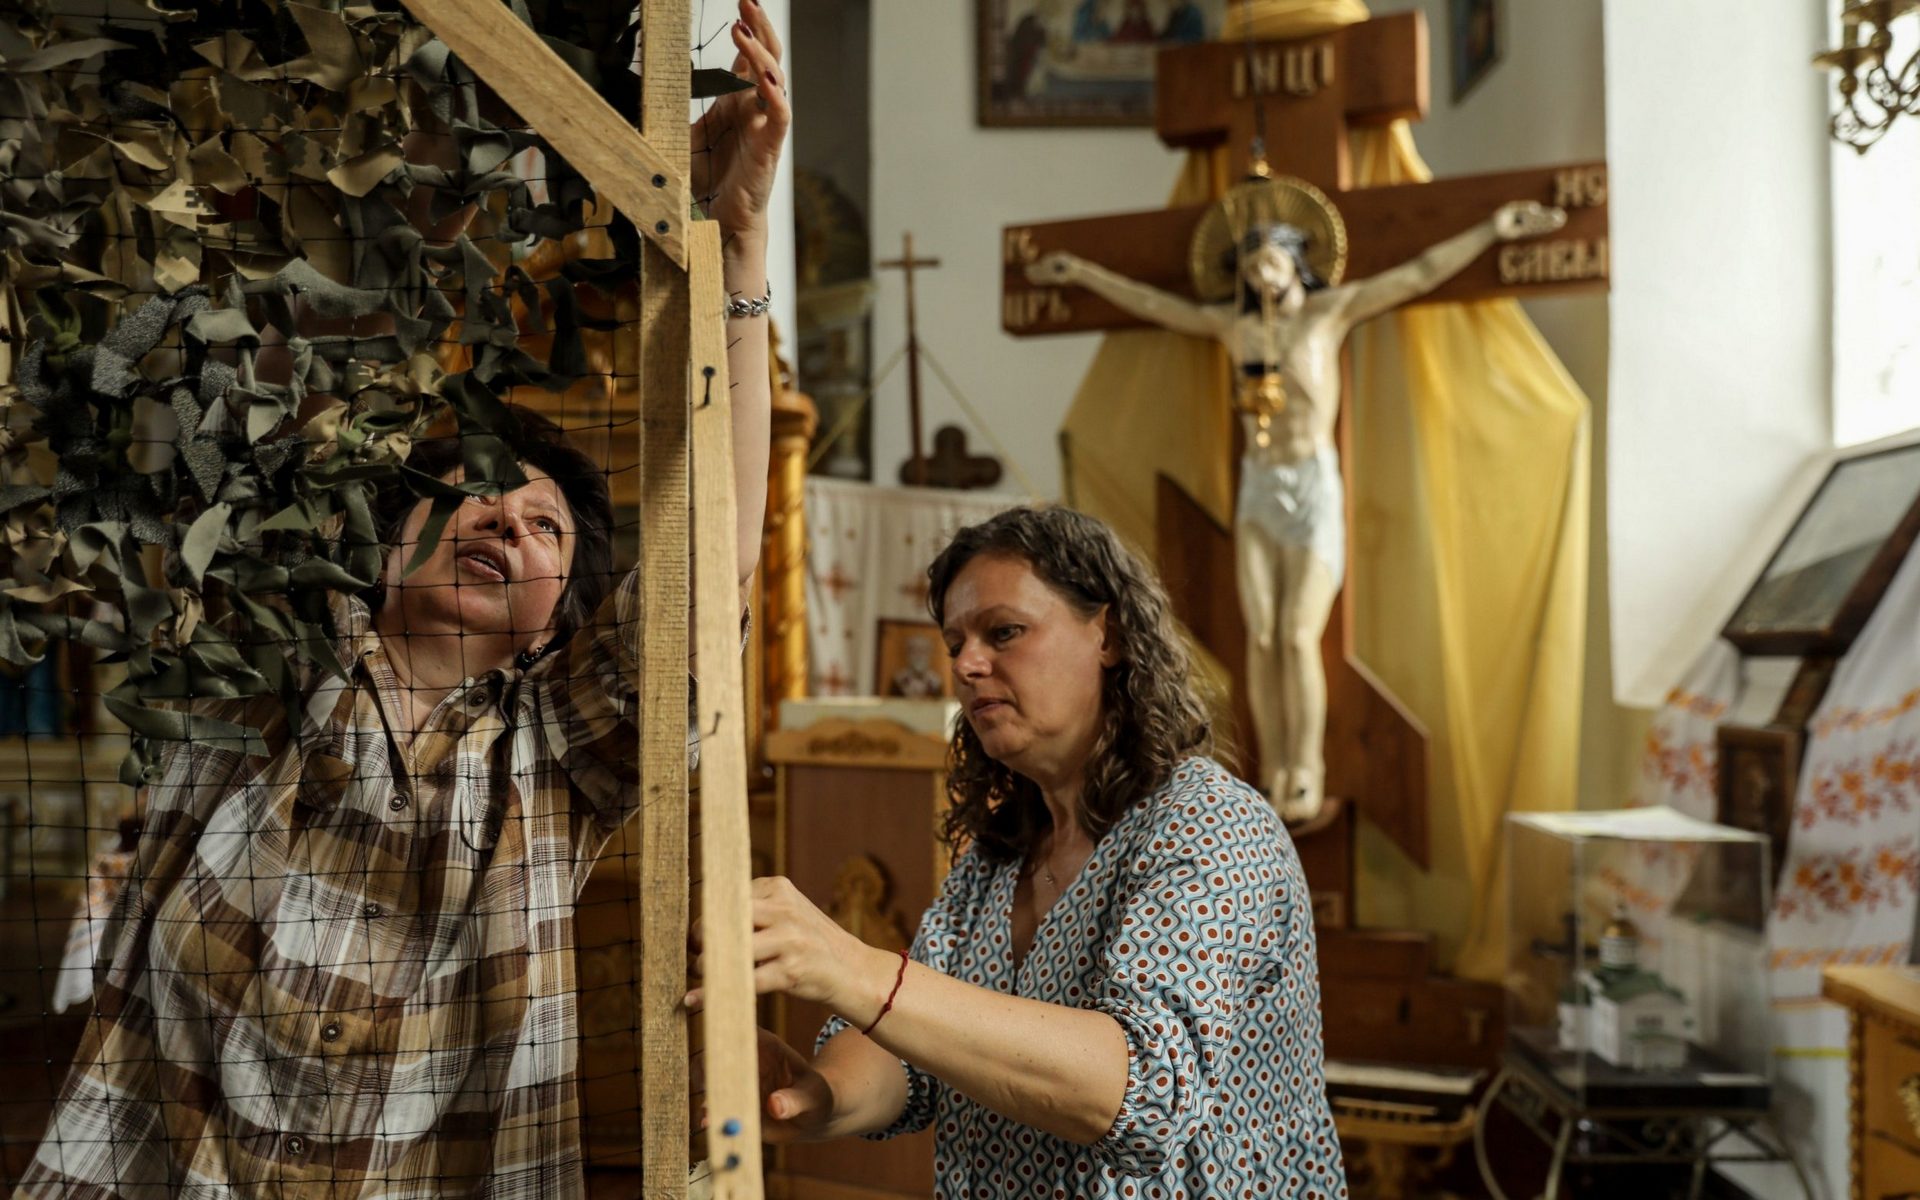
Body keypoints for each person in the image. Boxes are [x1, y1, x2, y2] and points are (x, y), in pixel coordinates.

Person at [16, 3, 788, 1197]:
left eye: (546, 529)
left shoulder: (553, 752)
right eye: (475, 494)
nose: (503, 521)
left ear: (559, 617)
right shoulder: (264, 653)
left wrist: (734, 245)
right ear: (381, 543)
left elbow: (711, 560)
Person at [697, 506, 1347, 1198]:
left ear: (1111, 636)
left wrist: (851, 967)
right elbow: (911, 1057)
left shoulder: (1212, 826)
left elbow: (1139, 1092)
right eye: (954, 644)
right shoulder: (998, 859)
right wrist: (817, 1095)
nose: (968, 664)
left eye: (1003, 632)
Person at [1026, 175, 1565, 824]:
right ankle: (1270, 766)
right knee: (1262, 634)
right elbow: (1151, 306)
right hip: (1259, 486)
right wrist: (1081, 273)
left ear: (1295, 263)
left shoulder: (1327, 315)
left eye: (1271, 261)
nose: (1260, 275)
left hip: (1309, 486)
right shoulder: (1233, 329)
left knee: (1297, 634)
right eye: (1250, 268)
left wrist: (1491, 231)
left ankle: (1305, 769)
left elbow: (1418, 273)